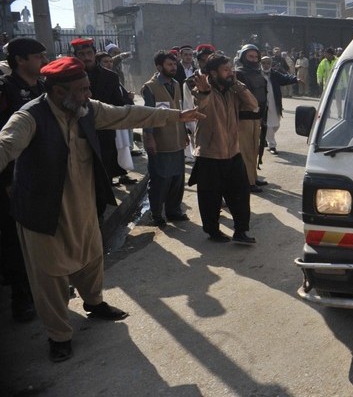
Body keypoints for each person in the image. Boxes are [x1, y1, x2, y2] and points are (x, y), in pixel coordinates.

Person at [0, 57, 203, 362]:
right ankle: (59, 335)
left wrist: (175, 116)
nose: (88, 94)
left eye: (87, 88)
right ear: (59, 92)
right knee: (49, 276)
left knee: (92, 257)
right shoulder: (29, 117)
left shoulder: (87, 110)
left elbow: (127, 114)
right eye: (82, 90)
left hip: (83, 203)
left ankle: (94, 304)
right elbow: (6, 145)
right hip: (42, 211)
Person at [0, 37, 48, 323]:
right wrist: (7, 180)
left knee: (44, 235)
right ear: (20, 60)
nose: (43, 61)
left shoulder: (43, 88)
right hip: (13, 179)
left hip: (42, 174)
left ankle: (46, 288)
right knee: (15, 242)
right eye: (38, 56)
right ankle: (22, 298)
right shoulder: (5, 91)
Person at [188, 54, 258, 245]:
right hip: (210, 155)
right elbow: (200, 106)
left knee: (241, 194)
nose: (230, 73)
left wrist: (237, 84)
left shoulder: (232, 90)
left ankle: (241, 232)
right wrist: (204, 93)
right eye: (226, 70)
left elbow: (253, 105)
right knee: (210, 198)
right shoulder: (202, 90)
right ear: (213, 72)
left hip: (233, 153)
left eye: (231, 69)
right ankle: (213, 231)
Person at [71, 38, 134, 193]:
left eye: (89, 53)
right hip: (78, 135)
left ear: (94, 54)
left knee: (104, 175)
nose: (86, 57)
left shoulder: (110, 77)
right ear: (75, 56)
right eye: (81, 54)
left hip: (104, 133)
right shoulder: (70, 78)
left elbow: (118, 106)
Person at [141, 51, 190, 227]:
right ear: (159, 67)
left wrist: (184, 133)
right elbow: (148, 116)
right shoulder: (150, 87)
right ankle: (156, 214)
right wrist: (149, 138)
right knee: (160, 181)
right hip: (160, 142)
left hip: (176, 139)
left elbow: (179, 110)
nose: (174, 67)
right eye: (170, 65)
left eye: (175, 64)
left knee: (177, 179)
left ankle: (174, 211)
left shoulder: (176, 84)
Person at [234, 44, 267, 192]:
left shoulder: (258, 73)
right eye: (250, 56)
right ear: (243, 57)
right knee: (246, 150)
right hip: (244, 118)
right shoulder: (239, 74)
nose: (254, 60)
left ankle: (253, 177)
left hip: (257, 117)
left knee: (254, 149)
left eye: (255, 57)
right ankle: (248, 181)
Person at [261, 55, 298, 155]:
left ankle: (264, 136)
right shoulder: (257, 74)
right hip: (263, 105)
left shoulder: (274, 74)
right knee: (268, 125)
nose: (265, 65)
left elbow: (285, 78)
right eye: (263, 63)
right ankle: (272, 145)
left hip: (275, 103)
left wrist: (295, 79)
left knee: (276, 125)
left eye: (268, 63)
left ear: (271, 64)